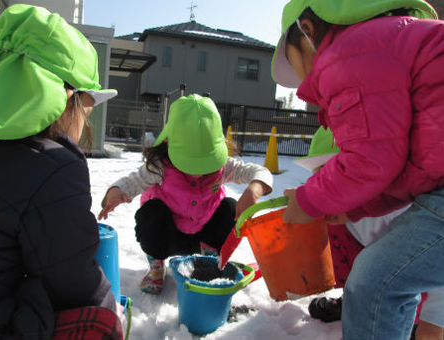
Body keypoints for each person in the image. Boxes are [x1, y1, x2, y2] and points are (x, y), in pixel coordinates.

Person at [0, 4, 124, 340]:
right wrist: (113, 315)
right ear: (67, 100)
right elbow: (76, 284)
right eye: (87, 110)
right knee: (100, 323)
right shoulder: (52, 167)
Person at [273, 0, 444, 339]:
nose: (302, 80)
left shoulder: (350, 50)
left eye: (294, 61)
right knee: (383, 278)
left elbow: (370, 159)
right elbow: (404, 164)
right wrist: (358, 206)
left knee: (374, 281)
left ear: (307, 31)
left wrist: (309, 200)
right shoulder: (388, 42)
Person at [98, 94, 273, 294]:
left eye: (206, 161)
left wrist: (255, 188)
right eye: (189, 162)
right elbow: (133, 180)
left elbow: (261, 172)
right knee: (150, 212)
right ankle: (156, 265)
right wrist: (116, 192)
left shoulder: (222, 166)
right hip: (169, 236)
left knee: (230, 207)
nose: (198, 170)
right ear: (169, 144)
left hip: (204, 235)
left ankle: (207, 260)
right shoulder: (160, 166)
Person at [295, 127, 444, 340]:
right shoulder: (347, 213)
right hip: (377, 270)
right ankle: (355, 301)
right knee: (327, 227)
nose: (321, 187)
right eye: (318, 178)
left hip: (419, 286)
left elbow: (436, 262)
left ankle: (407, 320)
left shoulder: (399, 210)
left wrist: (433, 322)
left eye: (328, 178)